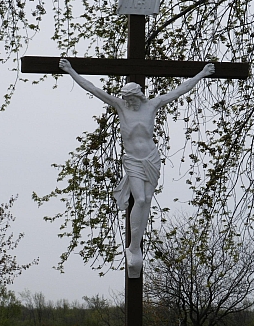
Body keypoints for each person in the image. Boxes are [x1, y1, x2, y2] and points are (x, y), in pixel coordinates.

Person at [59, 58, 215, 277]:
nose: (128, 102)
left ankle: (137, 245)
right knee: (139, 199)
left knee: (148, 201)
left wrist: (201, 74)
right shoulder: (120, 107)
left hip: (151, 158)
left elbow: (179, 90)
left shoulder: (151, 105)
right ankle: (133, 246)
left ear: (138, 96)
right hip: (132, 160)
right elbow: (92, 88)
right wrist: (70, 71)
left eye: (131, 99)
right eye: (126, 99)